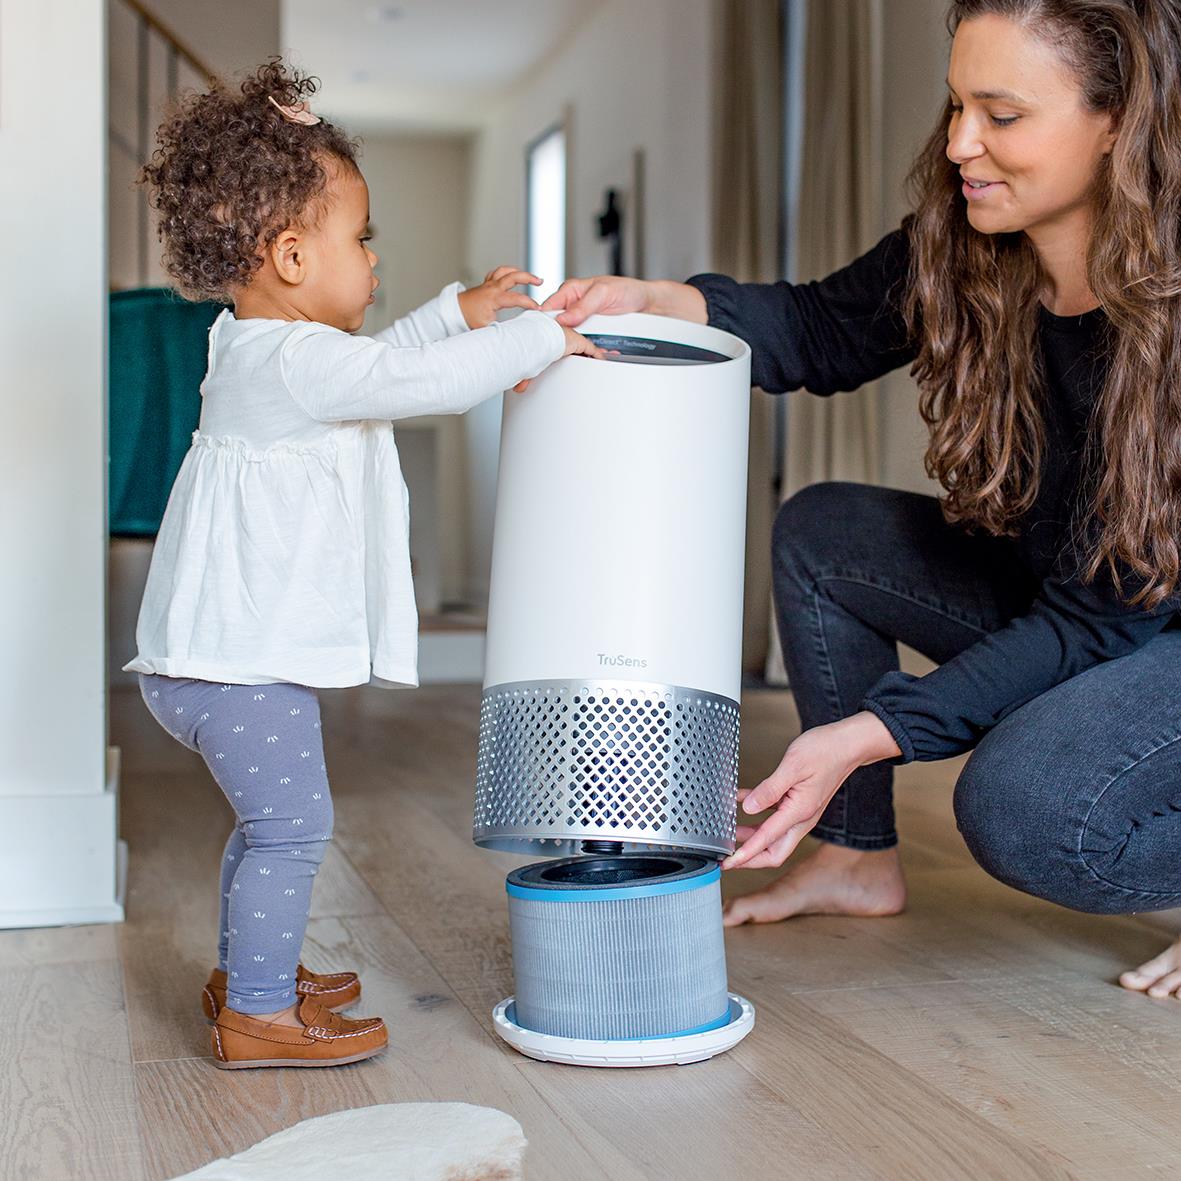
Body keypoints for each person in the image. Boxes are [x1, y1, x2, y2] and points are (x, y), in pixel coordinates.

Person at [544, 0, 1181, 1000]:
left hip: (1145, 625)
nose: (961, 143)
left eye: (1000, 115)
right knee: (823, 531)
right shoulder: (970, 240)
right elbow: (817, 330)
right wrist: (661, 302)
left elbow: (1100, 616)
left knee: (1023, 809)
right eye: (955, 104)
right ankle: (853, 856)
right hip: (1080, 606)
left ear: (1116, 124)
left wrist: (868, 731)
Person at [127, 59, 603, 1069]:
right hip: (233, 666)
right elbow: (409, 383)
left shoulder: (259, 348)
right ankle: (256, 1010)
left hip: (208, 657)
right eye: (362, 238)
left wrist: (451, 314)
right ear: (293, 256)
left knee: (268, 826)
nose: (373, 261)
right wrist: (537, 339)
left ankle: (248, 971)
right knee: (295, 826)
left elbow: (380, 368)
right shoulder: (295, 362)